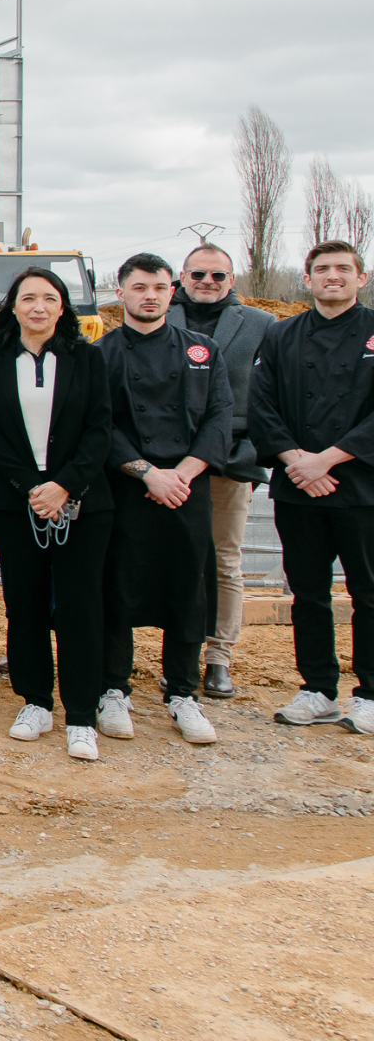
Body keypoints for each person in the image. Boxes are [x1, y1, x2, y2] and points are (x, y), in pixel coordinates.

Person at [0, 266, 114, 762]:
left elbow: (100, 431)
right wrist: (33, 488)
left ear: (62, 307)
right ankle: (35, 701)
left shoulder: (89, 359)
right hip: (17, 504)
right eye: (28, 298)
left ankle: (80, 716)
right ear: (12, 306)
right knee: (24, 606)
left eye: (48, 299)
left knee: (79, 609)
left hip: (82, 504)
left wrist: (63, 486)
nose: (38, 307)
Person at [96, 254, 232, 747]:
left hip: (186, 492)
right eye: (139, 287)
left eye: (158, 286)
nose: (149, 295)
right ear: (122, 291)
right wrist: (148, 473)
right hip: (127, 491)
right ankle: (113, 688)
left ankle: (183, 692)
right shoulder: (102, 353)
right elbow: (98, 426)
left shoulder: (203, 351)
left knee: (187, 590)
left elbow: (219, 417)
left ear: (171, 291)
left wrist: (183, 474)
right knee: (116, 588)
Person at [249, 240, 374, 735]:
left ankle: (369, 692)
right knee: (307, 592)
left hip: (363, 485)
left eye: (344, 269)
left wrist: (328, 459)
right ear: (308, 279)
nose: (333, 277)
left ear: (360, 278)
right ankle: (318, 689)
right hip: (297, 486)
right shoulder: (281, 336)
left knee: (369, 592)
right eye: (322, 269)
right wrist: (297, 461)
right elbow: (261, 406)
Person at [167, 244, 273, 701]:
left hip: (229, 461)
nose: (207, 283)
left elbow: (269, 396)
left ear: (232, 280)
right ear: (182, 277)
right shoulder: (158, 318)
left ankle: (218, 658)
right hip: (167, 464)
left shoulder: (261, 326)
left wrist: (249, 449)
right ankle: (180, 657)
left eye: (217, 276)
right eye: (198, 275)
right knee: (175, 561)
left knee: (224, 560)